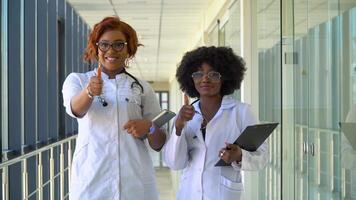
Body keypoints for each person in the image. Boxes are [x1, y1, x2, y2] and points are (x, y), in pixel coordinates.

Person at [62, 16, 166, 200]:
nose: (111, 50)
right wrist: (88, 92)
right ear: (96, 47)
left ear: (128, 49)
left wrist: (149, 127)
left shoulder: (142, 87)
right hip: (92, 178)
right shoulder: (78, 80)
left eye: (119, 44)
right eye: (104, 44)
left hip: (134, 180)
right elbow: (75, 110)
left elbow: (159, 142)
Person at [163, 46, 268, 200]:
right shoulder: (185, 115)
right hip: (188, 193)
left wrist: (239, 156)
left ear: (224, 77)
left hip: (222, 194)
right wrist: (178, 127)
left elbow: (262, 157)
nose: (205, 79)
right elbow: (175, 164)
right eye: (198, 74)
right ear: (191, 79)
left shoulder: (242, 112)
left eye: (213, 74)